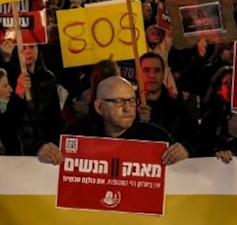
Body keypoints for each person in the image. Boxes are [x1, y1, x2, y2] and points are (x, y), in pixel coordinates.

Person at [37, 76, 188, 166]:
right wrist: (42, 151)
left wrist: (186, 152)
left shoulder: (155, 138)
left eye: (131, 101)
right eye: (118, 102)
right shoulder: (76, 135)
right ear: (99, 106)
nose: (128, 108)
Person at [136, 52, 197, 155]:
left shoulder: (178, 107)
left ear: (164, 74)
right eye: (146, 70)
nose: (152, 75)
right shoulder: (126, 106)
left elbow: (196, 139)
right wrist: (136, 121)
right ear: (137, 75)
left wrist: (186, 149)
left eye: (157, 70)